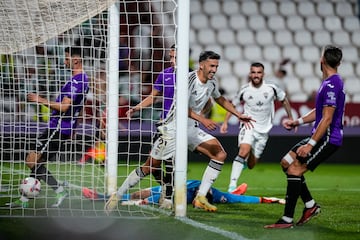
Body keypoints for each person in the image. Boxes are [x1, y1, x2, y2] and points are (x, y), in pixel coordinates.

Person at [264, 45, 345, 229]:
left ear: (321, 60)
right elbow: (320, 112)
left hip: (327, 138)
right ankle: (310, 206)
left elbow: (327, 119)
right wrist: (297, 122)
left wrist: (310, 145)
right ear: (338, 62)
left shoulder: (332, 84)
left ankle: (286, 220)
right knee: (286, 162)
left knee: (295, 170)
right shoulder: (329, 82)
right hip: (321, 134)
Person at [7, 46, 89, 208]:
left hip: (58, 128)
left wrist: (40, 99)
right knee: (36, 162)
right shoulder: (82, 80)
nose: (64, 61)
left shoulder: (77, 81)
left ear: (76, 60)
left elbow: (65, 107)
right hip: (62, 127)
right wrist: (74, 128)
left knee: (32, 160)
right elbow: (79, 107)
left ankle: (58, 190)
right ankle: (25, 200)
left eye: (67, 58)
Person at [104, 44, 177, 213]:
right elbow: (153, 97)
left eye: (175, 57)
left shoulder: (190, 77)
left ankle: (167, 197)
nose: (172, 60)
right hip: (164, 127)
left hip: (182, 128)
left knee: (172, 164)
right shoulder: (165, 75)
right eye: (171, 57)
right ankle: (120, 194)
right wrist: (137, 108)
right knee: (152, 166)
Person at [187, 51, 254, 212]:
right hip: (175, 126)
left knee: (220, 154)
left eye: (216, 66)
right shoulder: (188, 79)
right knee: (153, 166)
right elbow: (178, 106)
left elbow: (220, 99)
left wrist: (239, 115)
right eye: (211, 66)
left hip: (191, 128)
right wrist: (202, 119)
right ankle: (120, 194)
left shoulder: (212, 83)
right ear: (201, 65)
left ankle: (200, 197)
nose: (214, 69)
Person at [220, 62, 294, 193]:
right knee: (243, 152)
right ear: (250, 74)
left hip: (264, 131)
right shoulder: (244, 89)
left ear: (263, 74)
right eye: (253, 72)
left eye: (259, 72)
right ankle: (232, 186)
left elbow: (284, 100)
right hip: (248, 125)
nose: (256, 75)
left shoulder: (272, 87)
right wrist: (225, 122)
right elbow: (232, 105)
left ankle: (244, 161)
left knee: (251, 165)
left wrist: (291, 118)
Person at [83, 180, 285, 205]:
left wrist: (271, 200)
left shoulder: (215, 195)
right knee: (139, 195)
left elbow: (244, 200)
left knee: (145, 200)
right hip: (174, 187)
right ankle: (101, 195)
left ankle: (100, 197)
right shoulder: (192, 187)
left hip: (175, 193)